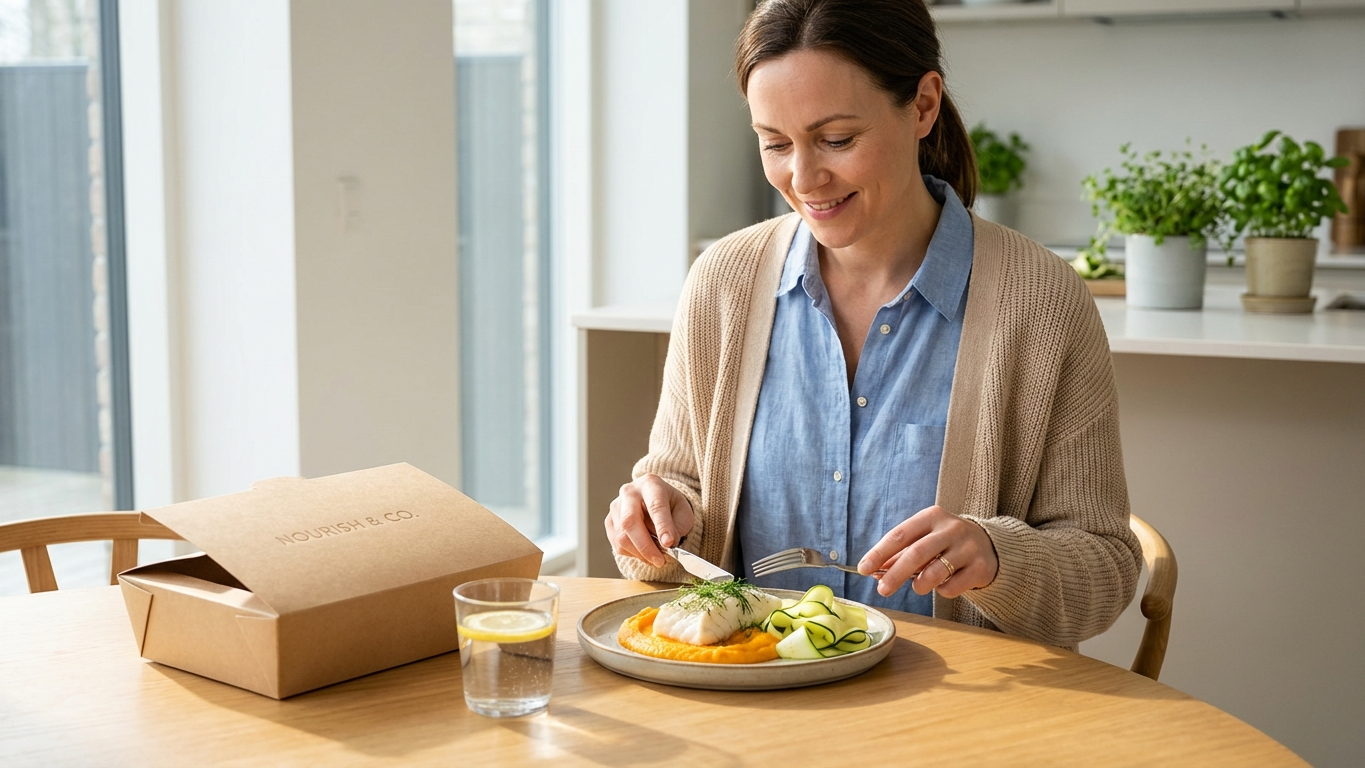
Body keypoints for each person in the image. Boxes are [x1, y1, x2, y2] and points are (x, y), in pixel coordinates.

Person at [604, 0, 1140, 648]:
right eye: (774, 143)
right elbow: (677, 502)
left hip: (957, 727)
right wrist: (659, 521)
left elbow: (1104, 568)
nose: (803, 179)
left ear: (922, 105)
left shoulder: (1042, 303)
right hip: (754, 716)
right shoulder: (723, 284)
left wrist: (997, 558)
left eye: (836, 140)